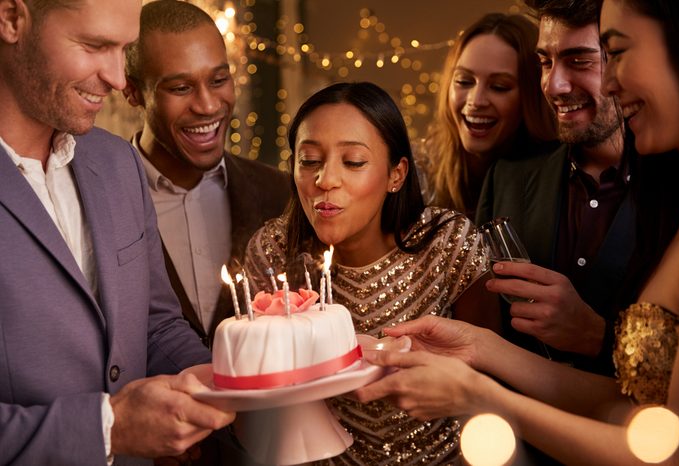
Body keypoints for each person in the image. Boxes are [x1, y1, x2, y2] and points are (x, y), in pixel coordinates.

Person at [357, 0, 679, 463]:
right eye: (543, 62)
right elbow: (637, 412)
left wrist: (481, 396)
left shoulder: (668, 190)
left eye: (607, 54)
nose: (554, 85)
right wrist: (480, 348)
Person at [0, 1, 235, 465]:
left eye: (124, 49)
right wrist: (109, 429)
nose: (118, 78)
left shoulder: (117, 162)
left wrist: (242, 383)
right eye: (94, 46)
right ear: (11, 19)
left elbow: (155, 325)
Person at [244, 81, 499, 465]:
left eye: (353, 162)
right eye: (309, 160)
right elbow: (255, 397)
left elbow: (492, 388)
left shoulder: (447, 244)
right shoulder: (273, 251)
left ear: (396, 174)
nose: (325, 180)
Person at [476, 0, 679, 375]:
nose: (554, 85)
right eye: (545, 62)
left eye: (579, 61)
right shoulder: (506, 178)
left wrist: (594, 334)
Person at [122, 2, 289, 464]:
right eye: (180, 87)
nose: (209, 104)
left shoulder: (280, 194)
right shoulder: (99, 200)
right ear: (132, 92)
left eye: (219, 79)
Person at [419, 12, 556, 219]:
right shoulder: (418, 176)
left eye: (499, 87)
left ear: (532, 97)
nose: (476, 101)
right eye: (464, 81)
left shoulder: (558, 182)